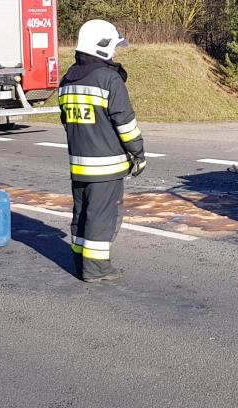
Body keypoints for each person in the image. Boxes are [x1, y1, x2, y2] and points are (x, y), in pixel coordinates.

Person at [58, 19, 147, 282]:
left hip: (79, 164)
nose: (115, 52)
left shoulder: (68, 78)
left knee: (82, 214)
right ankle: (96, 269)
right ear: (102, 46)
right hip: (106, 166)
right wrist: (138, 153)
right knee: (101, 218)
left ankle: (80, 261)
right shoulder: (109, 79)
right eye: (113, 46)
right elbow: (125, 122)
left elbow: (67, 121)